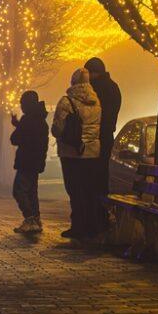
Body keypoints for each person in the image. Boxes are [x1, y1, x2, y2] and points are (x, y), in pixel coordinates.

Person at [51, 67, 102, 239]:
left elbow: (57, 129)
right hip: (92, 152)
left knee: (74, 190)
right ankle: (91, 226)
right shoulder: (96, 101)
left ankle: (78, 225)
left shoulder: (66, 102)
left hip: (71, 152)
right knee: (89, 190)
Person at [85, 57, 121, 226]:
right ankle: (100, 216)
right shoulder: (113, 87)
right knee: (101, 177)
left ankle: (98, 218)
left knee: (95, 178)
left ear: (94, 73)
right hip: (106, 137)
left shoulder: (97, 90)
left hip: (98, 137)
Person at [10, 90, 49, 234]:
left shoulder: (28, 120)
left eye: (22, 103)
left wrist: (18, 126)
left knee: (19, 190)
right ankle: (36, 219)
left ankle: (30, 218)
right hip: (36, 161)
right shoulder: (40, 119)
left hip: (26, 161)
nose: (21, 106)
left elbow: (15, 139)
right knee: (32, 191)